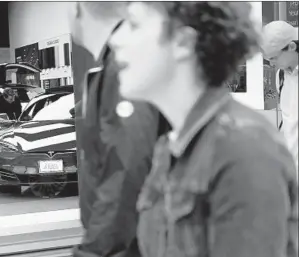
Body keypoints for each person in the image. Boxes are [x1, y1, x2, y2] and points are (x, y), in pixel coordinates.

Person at [110, 2, 298, 256]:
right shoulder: (169, 149)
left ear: (183, 42)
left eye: (133, 24)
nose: (115, 40)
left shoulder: (243, 150)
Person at [68, 2, 160, 257]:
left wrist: (97, 250)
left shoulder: (123, 67)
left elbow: (126, 169)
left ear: (76, 8)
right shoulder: (111, 67)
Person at [262, 20, 298, 172]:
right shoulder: (281, 77)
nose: (271, 64)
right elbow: (289, 123)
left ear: (291, 47)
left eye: (273, 58)